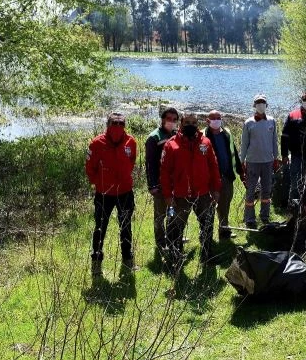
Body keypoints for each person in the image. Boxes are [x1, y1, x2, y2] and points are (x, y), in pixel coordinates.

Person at [160, 111, 221, 268]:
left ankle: (207, 255)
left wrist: (216, 189)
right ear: (181, 124)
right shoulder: (171, 144)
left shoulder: (205, 142)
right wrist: (167, 196)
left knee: (207, 225)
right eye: (187, 123)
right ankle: (175, 260)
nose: (190, 126)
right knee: (174, 228)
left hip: (203, 194)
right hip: (179, 196)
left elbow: (213, 167)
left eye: (194, 123)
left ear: (197, 125)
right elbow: (164, 173)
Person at [85, 112, 138, 277]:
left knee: (126, 227)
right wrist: (100, 183)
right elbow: (90, 167)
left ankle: (128, 261)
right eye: (114, 123)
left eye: (121, 123)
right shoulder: (96, 143)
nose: (117, 126)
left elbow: (131, 162)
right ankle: (96, 264)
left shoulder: (131, 142)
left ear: (125, 125)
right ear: (107, 124)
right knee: (100, 228)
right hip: (104, 194)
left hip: (125, 192)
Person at [240, 94, 280, 229]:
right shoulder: (248, 122)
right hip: (252, 162)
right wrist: (242, 161)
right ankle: (249, 219)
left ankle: (265, 216)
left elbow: (274, 141)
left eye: (263, 102)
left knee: (266, 191)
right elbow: (244, 143)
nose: (260, 104)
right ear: (254, 105)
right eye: (258, 102)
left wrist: (276, 158)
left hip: (268, 162)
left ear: (266, 105)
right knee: (250, 191)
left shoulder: (272, 121)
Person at [145, 106, 178, 255]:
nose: (171, 122)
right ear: (163, 119)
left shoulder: (177, 135)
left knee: (173, 212)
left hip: (174, 184)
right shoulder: (154, 137)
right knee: (160, 215)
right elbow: (150, 163)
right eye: (169, 119)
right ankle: (160, 242)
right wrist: (152, 185)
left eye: (174, 119)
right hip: (159, 184)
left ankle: (171, 238)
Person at [204, 110, 243, 239]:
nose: (216, 120)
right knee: (209, 206)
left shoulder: (227, 133)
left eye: (218, 117)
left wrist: (240, 171)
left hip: (227, 176)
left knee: (225, 204)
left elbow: (234, 153)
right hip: (210, 178)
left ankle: (224, 230)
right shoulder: (203, 135)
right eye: (213, 118)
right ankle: (206, 234)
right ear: (207, 120)